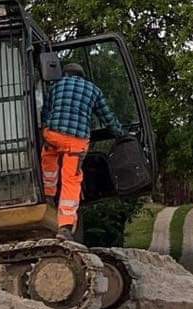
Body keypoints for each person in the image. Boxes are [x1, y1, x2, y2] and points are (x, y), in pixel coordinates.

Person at [40, 61, 128, 236]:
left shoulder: (56, 86)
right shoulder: (93, 90)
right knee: (71, 180)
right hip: (76, 143)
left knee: (48, 157)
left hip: (54, 135)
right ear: (82, 76)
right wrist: (121, 133)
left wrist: (47, 126)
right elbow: (107, 117)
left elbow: (46, 112)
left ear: (65, 74)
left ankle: (48, 195)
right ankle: (65, 226)